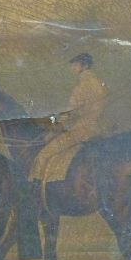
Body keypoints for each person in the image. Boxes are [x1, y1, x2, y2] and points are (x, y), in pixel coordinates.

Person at [28, 52, 107, 184]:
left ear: (85, 66)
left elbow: (71, 113)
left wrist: (56, 127)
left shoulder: (82, 87)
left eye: (76, 64)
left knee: (42, 156)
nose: (73, 67)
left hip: (79, 131)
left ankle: (37, 190)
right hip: (94, 130)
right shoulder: (100, 85)